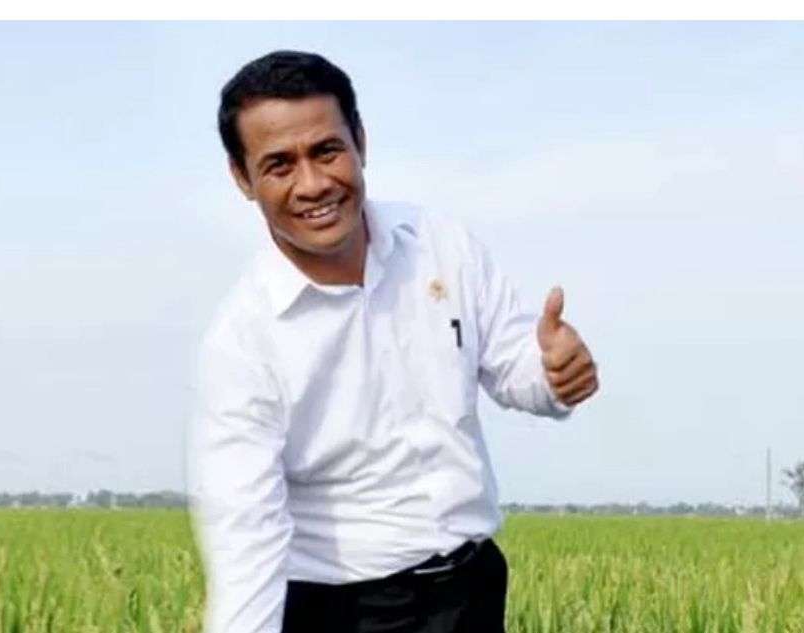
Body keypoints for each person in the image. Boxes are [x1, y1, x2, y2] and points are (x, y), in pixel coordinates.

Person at [189, 50, 599, 633]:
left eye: (327, 150)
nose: (313, 184)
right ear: (242, 178)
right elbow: (245, 532)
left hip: (472, 589)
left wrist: (554, 376)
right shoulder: (243, 343)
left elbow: (514, 366)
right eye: (279, 165)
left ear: (360, 141)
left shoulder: (440, 244)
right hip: (345, 612)